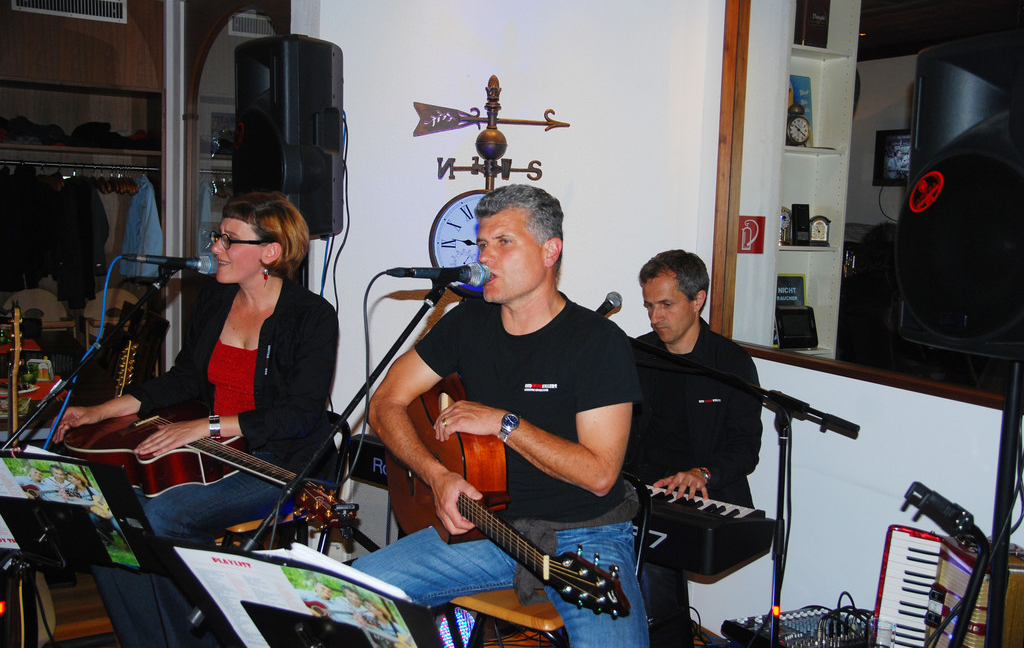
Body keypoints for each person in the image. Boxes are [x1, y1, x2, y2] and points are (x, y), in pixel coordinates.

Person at [352, 184, 648, 647]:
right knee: (350, 593)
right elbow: (384, 401)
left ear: (550, 251)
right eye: (482, 244)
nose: (485, 257)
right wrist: (436, 475)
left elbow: (599, 475)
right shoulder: (466, 322)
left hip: (588, 537)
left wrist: (504, 423)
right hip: (489, 530)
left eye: (503, 242)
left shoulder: (597, 342)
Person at [53, 191, 339, 647]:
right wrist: (101, 409)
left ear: (270, 252)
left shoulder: (311, 316)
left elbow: (300, 415)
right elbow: (184, 378)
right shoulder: (215, 300)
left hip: (283, 461)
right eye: (217, 237)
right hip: (216, 452)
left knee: (163, 517)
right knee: (106, 513)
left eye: (229, 240)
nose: (215, 249)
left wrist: (205, 426)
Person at [624, 249, 762, 647]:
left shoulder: (730, 363)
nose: (655, 317)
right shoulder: (638, 354)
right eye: (649, 306)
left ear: (698, 299)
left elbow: (746, 447)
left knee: (654, 561)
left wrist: (703, 473)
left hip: (700, 494)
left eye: (666, 305)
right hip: (639, 486)